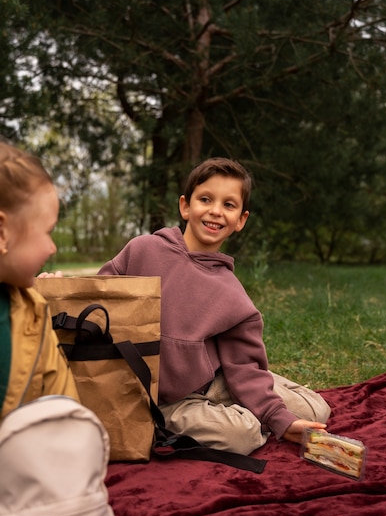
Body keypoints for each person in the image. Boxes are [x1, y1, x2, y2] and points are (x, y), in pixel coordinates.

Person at [96, 157, 330, 455]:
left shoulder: (233, 294)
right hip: (166, 401)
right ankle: (249, 407)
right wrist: (58, 285)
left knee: (316, 410)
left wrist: (278, 417)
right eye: (205, 199)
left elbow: (242, 363)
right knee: (242, 436)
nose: (216, 211)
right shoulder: (143, 250)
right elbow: (96, 296)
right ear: (185, 206)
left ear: (241, 220)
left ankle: (258, 396)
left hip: (217, 381)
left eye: (229, 205)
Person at [0, 141, 79, 419]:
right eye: (47, 232)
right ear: (2, 233)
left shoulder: (34, 310)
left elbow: (63, 403)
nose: (53, 248)